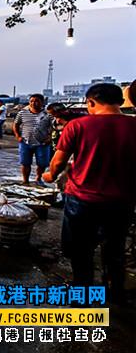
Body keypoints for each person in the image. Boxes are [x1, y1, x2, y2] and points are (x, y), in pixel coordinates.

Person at [43, 84, 136, 302]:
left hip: (83, 200)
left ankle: (82, 293)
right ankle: (114, 292)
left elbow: (58, 163)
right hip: (122, 201)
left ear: (90, 102)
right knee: (115, 249)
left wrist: (49, 176)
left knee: (81, 251)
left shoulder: (78, 126)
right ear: (121, 102)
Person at [13, 93, 51, 185]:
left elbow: (54, 127)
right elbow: (16, 124)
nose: (34, 103)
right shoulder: (22, 113)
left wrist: (49, 138)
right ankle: (25, 180)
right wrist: (18, 136)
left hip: (42, 143)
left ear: (42, 102)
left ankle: (38, 179)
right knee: (25, 163)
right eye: (31, 101)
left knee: (42, 163)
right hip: (25, 142)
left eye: (37, 101)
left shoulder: (48, 114)